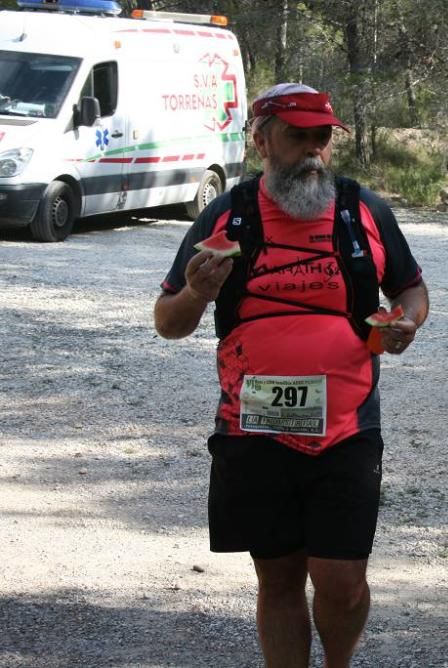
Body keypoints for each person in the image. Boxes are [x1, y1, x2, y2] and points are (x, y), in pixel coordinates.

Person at [153, 83, 428, 668]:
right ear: (261, 142)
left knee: (342, 580)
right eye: (295, 135)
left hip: (348, 430)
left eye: (320, 137)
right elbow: (168, 322)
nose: (310, 150)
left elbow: (408, 287)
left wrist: (406, 320)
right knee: (277, 581)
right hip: (253, 429)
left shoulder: (363, 209)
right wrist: (198, 294)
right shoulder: (228, 213)